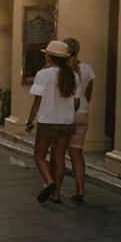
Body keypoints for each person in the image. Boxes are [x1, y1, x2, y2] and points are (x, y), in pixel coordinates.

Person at [25, 39, 80, 204]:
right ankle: (56, 194)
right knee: (59, 157)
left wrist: (29, 121)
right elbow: (76, 103)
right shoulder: (73, 75)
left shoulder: (43, 75)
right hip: (66, 121)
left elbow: (37, 101)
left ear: (49, 57)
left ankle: (49, 182)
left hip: (47, 121)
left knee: (40, 156)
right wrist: (67, 113)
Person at [65, 37, 95, 203]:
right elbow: (88, 95)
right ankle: (80, 188)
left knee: (58, 152)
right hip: (82, 113)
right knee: (77, 153)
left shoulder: (62, 71)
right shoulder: (88, 69)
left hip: (64, 115)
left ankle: (52, 187)